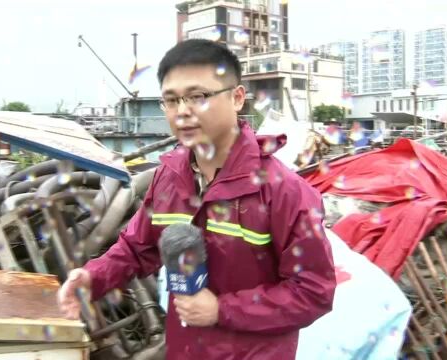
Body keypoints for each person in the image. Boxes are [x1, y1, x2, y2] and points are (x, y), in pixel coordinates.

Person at [58, 39, 336, 359]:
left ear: (237, 98)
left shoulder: (284, 193)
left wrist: (222, 309)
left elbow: (314, 292)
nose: (183, 111)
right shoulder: (170, 178)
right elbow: (138, 248)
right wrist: (93, 278)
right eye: (171, 100)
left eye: (198, 96)